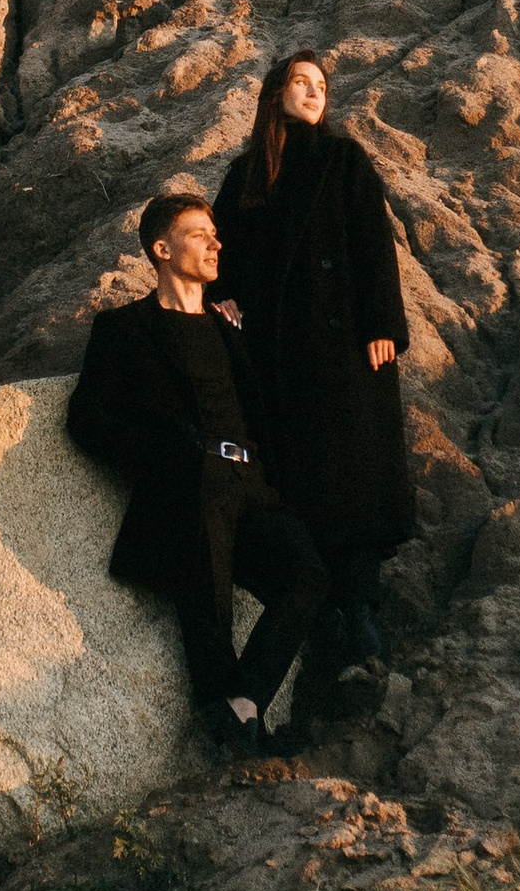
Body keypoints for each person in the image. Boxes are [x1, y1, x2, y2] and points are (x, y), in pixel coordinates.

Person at [65, 189, 329, 755]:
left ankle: (240, 706)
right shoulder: (122, 329)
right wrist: (168, 455)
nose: (216, 243)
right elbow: (87, 421)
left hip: (250, 481)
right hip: (190, 482)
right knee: (206, 586)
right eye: (199, 234)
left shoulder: (229, 327)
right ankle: (235, 715)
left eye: (215, 234)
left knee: (306, 575)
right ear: (162, 249)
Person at [213, 53, 414, 673]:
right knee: (298, 479)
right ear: (275, 93)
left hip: (343, 347)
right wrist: (222, 299)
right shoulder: (247, 175)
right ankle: (324, 619)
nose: (314, 92)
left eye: (322, 86)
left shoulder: (344, 160)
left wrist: (383, 323)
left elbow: (373, 244)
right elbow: (222, 251)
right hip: (278, 356)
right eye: (302, 82)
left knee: (352, 475)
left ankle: (362, 618)